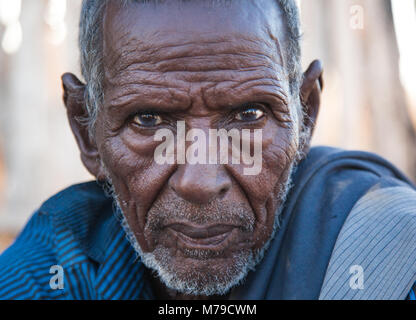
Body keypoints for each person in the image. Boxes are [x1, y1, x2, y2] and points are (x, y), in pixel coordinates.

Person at [0, 0, 414, 300]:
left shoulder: (386, 246)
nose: (200, 181)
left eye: (248, 114)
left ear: (305, 115)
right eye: (149, 120)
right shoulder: (59, 264)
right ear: (87, 131)